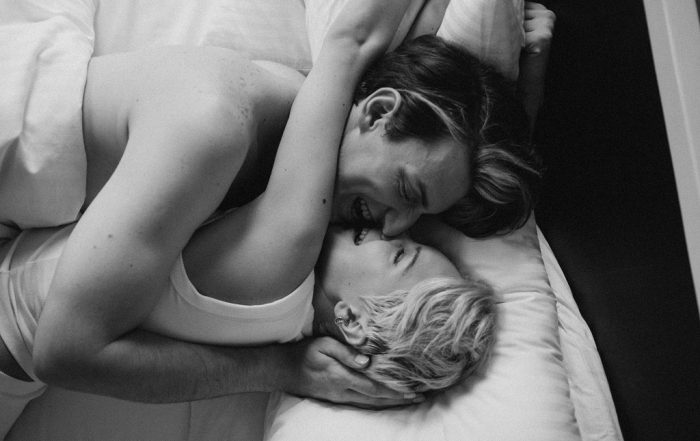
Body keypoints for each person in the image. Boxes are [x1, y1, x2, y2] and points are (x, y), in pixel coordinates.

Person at [2, 0, 549, 413]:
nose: (394, 228)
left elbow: (366, 44)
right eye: (406, 193)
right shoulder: (215, 130)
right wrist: (280, 369)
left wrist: (527, 91)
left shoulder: (303, 147)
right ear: (378, 111)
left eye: (418, 223)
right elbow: (64, 351)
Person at [0, 217, 496, 436]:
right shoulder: (286, 327)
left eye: (401, 255)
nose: (391, 229)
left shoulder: (281, 267)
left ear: (353, 320)